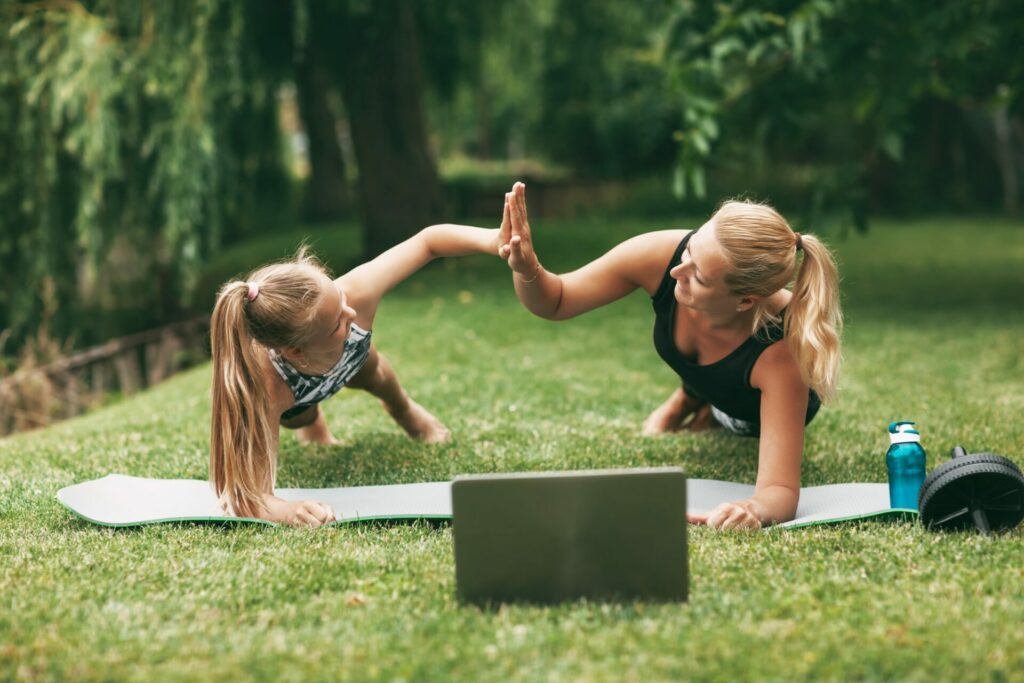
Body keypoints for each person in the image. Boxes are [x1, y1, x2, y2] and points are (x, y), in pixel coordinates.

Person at [497, 182, 842, 530]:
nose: (677, 271)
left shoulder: (781, 356)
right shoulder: (663, 255)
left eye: (699, 278)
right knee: (703, 375)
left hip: (744, 409)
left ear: (746, 301)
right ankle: (687, 399)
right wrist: (528, 269)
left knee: (729, 420)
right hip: (704, 372)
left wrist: (751, 509)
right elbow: (556, 300)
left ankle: (698, 404)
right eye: (689, 252)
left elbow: (779, 491)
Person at [210, 224, 506, 527]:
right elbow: (245, 497)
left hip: (353, 359)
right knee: (300, 417)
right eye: (338, 321)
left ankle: (405, 411)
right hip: (298, 396)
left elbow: (429, 242)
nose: (350, 312)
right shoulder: (268, 389)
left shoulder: (355, 293)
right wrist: (289, 511)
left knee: (375, 374)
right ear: (295, 351)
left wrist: (494, 239)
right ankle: (313, 426)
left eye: (340, 299)